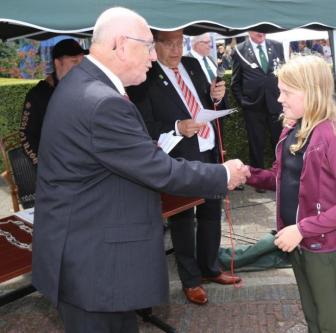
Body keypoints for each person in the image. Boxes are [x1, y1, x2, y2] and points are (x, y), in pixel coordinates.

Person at [32, 7, 250, 332]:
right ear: (121, 44)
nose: (153, 56)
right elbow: (158, 169)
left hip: (85, 256)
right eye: (148, 46)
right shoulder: (101, 101)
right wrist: (222, 174)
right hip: (93, 269)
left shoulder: (81, 82)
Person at [247, 55, 336, 333]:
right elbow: (282, 178)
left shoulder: (335, 138)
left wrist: (302, 228)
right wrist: (247, 174)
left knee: (330, 319)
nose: (279, 99)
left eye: (286, 92)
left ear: (311, 92)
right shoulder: (293, 129)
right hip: (297, 240)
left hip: (322, 245)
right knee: (312, 313)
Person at [128, 29, 240, 306]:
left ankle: (210, 268)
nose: (176, 50)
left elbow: (207, 104)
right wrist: (178, 127)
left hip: (209, 153)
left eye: (180, 43)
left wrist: (217, 96)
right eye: (168, 44)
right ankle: (190, 281)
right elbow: (144, 127)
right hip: (179, 161)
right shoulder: (145, 76)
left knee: (212, 213)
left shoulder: (192, 64)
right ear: (154, 44)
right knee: (183, 221)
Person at [231, 31, 285, 192]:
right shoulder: (240, 49)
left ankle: (282, 177)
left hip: (277, 104)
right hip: (253, 107)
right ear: (249, 31)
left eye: (263, 29)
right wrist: (244, 102)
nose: (261, 33)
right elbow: (235, 82)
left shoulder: (277, 46)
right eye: (257, 29)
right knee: (256, 144)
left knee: (280, 142)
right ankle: (259, 181)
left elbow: (285, 73)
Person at [19, 39, 85, 165]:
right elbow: (25, 135)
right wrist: (42, 165)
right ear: (58, 63)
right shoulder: (38, 95)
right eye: (74, 61)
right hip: (55, 172)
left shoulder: (88, 90)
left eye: (82, 61)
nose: (80, 67)